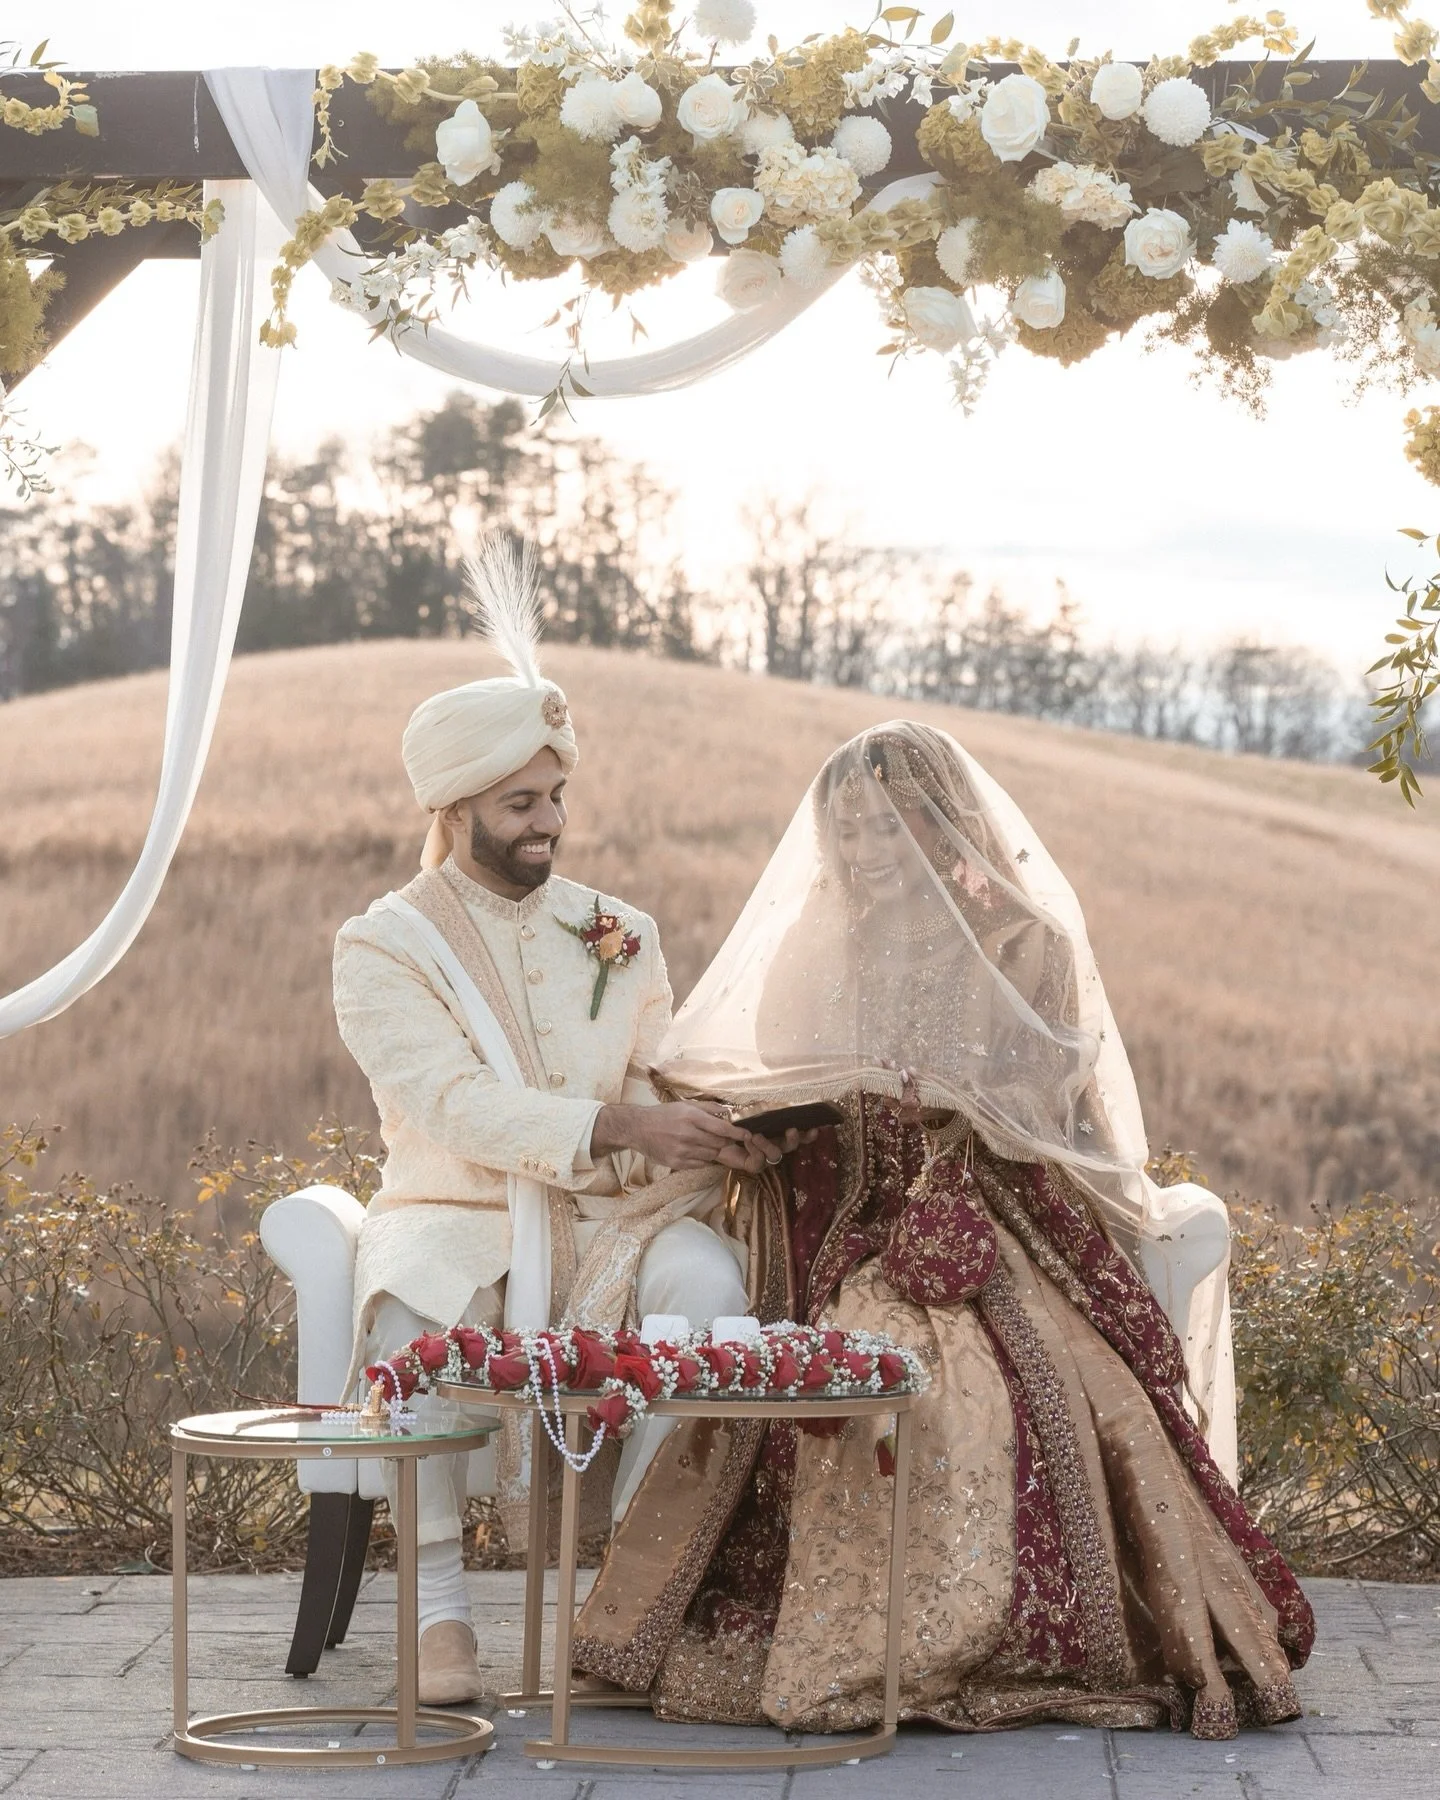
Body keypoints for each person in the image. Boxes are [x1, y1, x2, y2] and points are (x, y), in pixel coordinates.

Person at [572, 720, 1314, 1740]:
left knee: (1007, 1391)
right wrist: (758, 1131)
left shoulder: (1027, 945)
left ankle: (1001, 1636)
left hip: (995, 1222)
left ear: (941, 822)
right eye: (849, 833)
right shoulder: (814, 946)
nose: (868, 852)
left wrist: (957, 1126)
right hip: (840, 1225)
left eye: (888, 826)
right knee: (830, 1375)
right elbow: (784, 1083)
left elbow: (1060, 1114)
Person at [332, 536, 798, 1706]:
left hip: (613, 1218)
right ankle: (441, 1617)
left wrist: (716, 1120)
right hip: (456, 1209)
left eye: (557, 799)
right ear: (454, 804)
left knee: (705, 1286)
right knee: (411, 1310)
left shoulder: (618, 929)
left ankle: (625, 1603)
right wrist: (626, 1126)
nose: (549, 824)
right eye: (520, 804)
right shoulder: (385, 943)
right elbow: (450, 1102)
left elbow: (660, 1073)